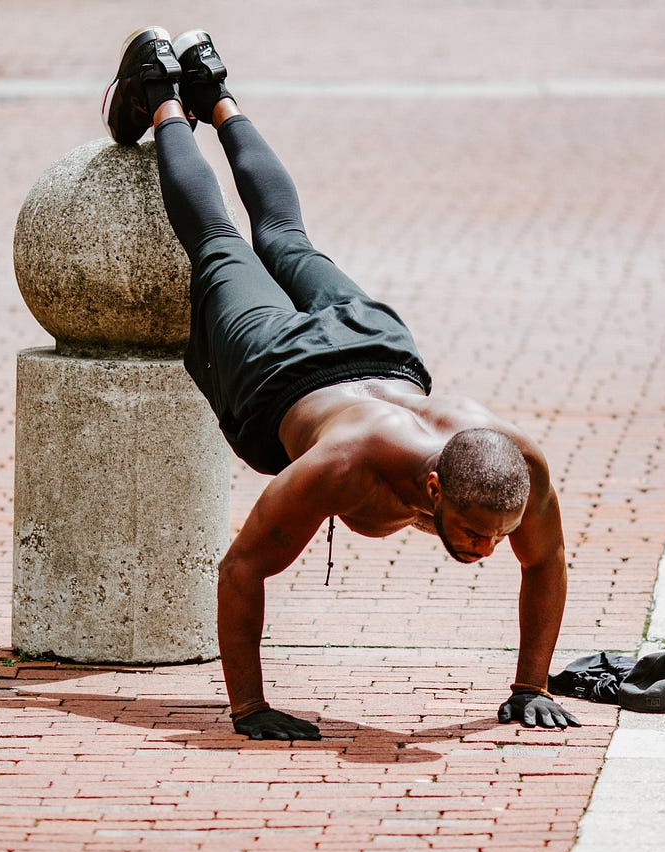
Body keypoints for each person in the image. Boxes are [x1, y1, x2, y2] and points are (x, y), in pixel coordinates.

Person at [102, 27, 581, 740]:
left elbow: (545, 560)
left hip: (378, 346)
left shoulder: (518, 465)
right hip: (278, 365)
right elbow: (240, 570)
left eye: (494, 536)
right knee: (220, 241)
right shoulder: (340, 467)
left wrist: (529, 685)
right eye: (478, 536)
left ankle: (218, 90)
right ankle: (164, 91)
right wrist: (248, 707)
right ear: (433, 488)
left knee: (288, 238)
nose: (486, 551)